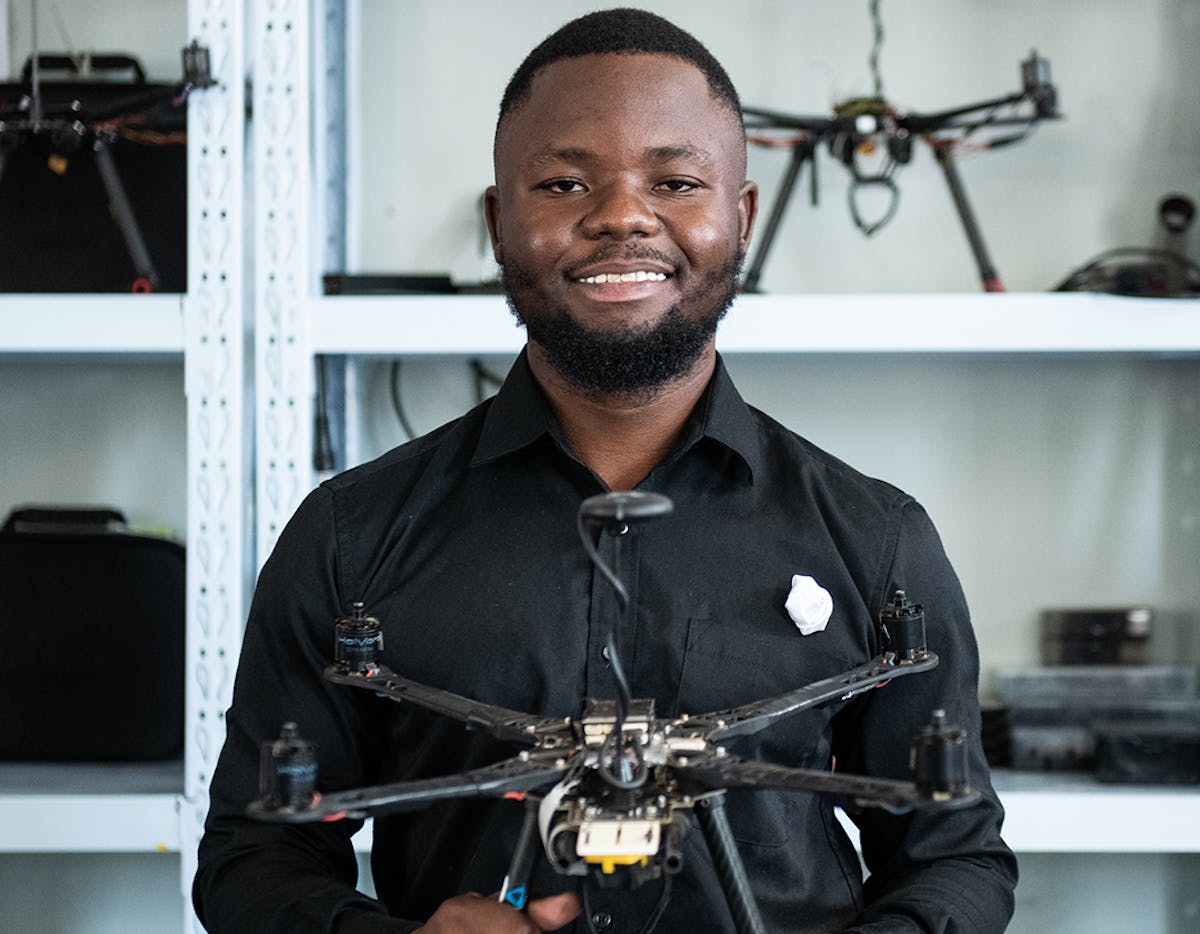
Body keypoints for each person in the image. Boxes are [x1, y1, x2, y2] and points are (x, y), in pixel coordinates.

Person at [193, 8, 1018, 933]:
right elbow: (254, 859)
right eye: (563, 181)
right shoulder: (351, 538)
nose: (623, 215)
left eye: (674, 179)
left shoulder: (874, 542)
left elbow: (956, 861)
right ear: (501, 224)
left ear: (738, 218)